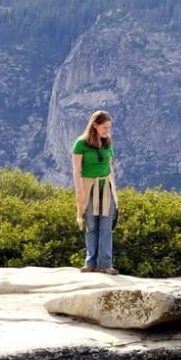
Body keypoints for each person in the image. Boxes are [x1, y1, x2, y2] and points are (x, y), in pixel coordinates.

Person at [72, 110, 119, 274]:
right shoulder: (81, 144)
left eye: (109, 128)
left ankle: (105, 264)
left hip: (106, 186)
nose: (107, 131)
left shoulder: (107, 142)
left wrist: (114, 189)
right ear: (95, 125)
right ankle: (90, 263)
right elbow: (77, 170)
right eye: (104, 127)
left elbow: (110, 166)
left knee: (106, 226)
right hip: (88, 186)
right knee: (92, 226)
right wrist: (79, 193)